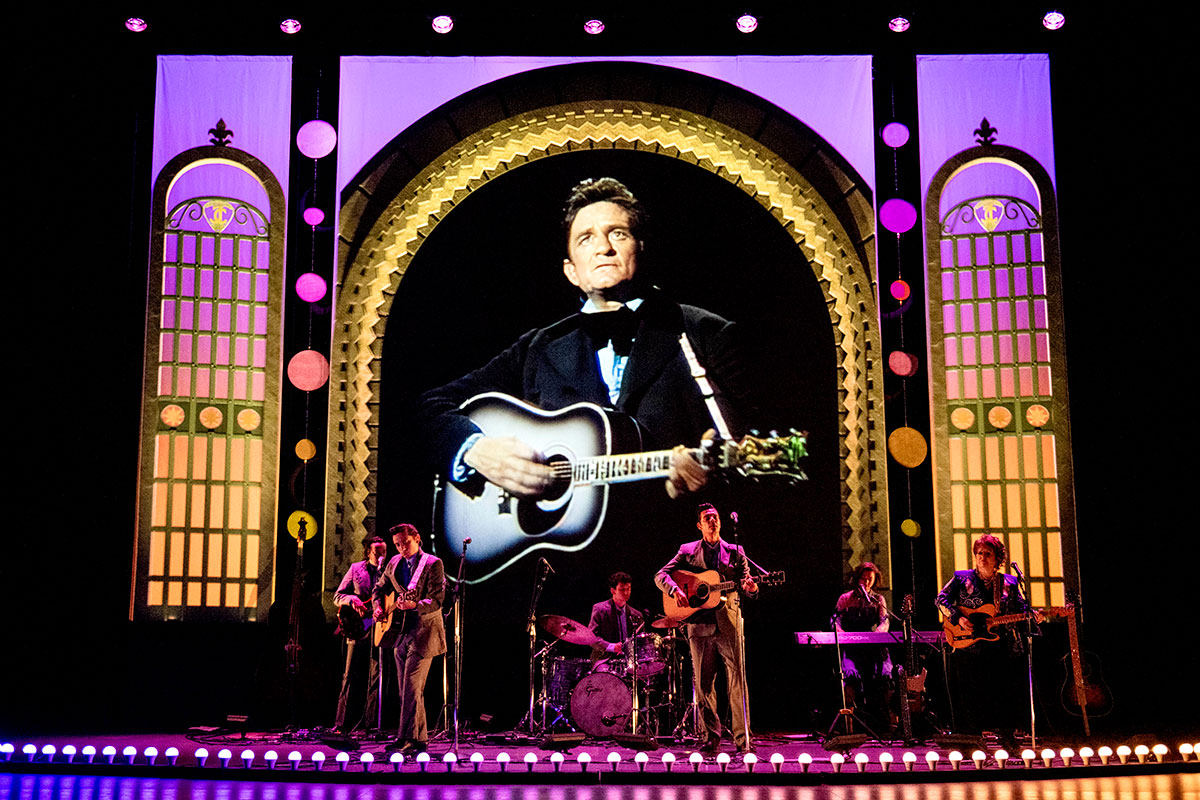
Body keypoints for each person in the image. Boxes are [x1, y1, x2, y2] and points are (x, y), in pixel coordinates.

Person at [417, 177, 753, 504]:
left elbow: (755, 461)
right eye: (586, 239)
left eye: (618, 234)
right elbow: (426, 410)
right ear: (571, 271)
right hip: (561, 559)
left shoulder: (704, 333)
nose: (604, 248)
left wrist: (712, 482)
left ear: (642, 248)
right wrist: (475, 450)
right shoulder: (538, 347)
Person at [655, 503, 757, 753]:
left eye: (715, 517)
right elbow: (661, 575)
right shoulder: (687, 551)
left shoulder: (736, 551)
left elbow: (748, 582)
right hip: (698, 625)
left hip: (730, 622)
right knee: (703, 684)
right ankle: (711, 735)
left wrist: (752, 588)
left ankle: (743, 740)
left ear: (720, 522)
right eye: (707, 518)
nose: (712, 520)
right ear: (700, 525)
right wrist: (675, 589)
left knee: (737, 681)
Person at [935, 533, 1038, 743]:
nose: (982, 557)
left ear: (997, 558)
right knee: (972, 691)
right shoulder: (962, 578)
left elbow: (1021, 607)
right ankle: (971, 736)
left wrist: (1034, 613)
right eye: (979, 553)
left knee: (1003, 689)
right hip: (970, 644)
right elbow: (941, 599)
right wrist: (958, 618)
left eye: (988, 554)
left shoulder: (1009, 581)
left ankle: (1006, 735)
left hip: (1002, 645)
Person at [373, 523, 447, 753]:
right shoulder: (393, 563)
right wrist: (377, 607)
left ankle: (406, 738)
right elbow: (378, 589)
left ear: (417, 538)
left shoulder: (433, 564)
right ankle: (418, 739)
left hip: (425, 632)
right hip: (401, 633)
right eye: (397, 545)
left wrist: (416, 604)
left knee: (412, 687)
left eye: (405, 542)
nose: (401, 548)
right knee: (406, 689)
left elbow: (437, 599)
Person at [332, 534, 388, 733]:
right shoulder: (356, 569)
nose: (381, 554)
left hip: (379, 626)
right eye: (377, 551)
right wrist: (351, 600)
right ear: (368, 551)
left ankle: (371, 724)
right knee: (349, 674)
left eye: (384, 551)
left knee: (377, 676)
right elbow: (337, 596)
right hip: (357, 627)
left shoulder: (390, 571)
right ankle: (342, 723)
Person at [833, 561, 893, 733]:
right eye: (863, 578)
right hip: (851, 646)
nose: (866, 582)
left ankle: (881, 727)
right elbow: (836, 620)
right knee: (851, 679)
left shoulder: (878, 599)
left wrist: (879, 634)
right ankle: (853, 728)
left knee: (881, 680)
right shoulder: (845, 598)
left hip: (873, 646)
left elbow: (884, 620)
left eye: (870, 579)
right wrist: (842, 635)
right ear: (857, 578)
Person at [588, 571, 644, 659]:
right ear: (613, 591)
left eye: (628, 589)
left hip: (628, 660)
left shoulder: (637, 615)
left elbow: (642, 641)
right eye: (622, 589)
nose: (626, 593)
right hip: (604, 659)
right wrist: (611, 647)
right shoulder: (599, 609)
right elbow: (591, 638)